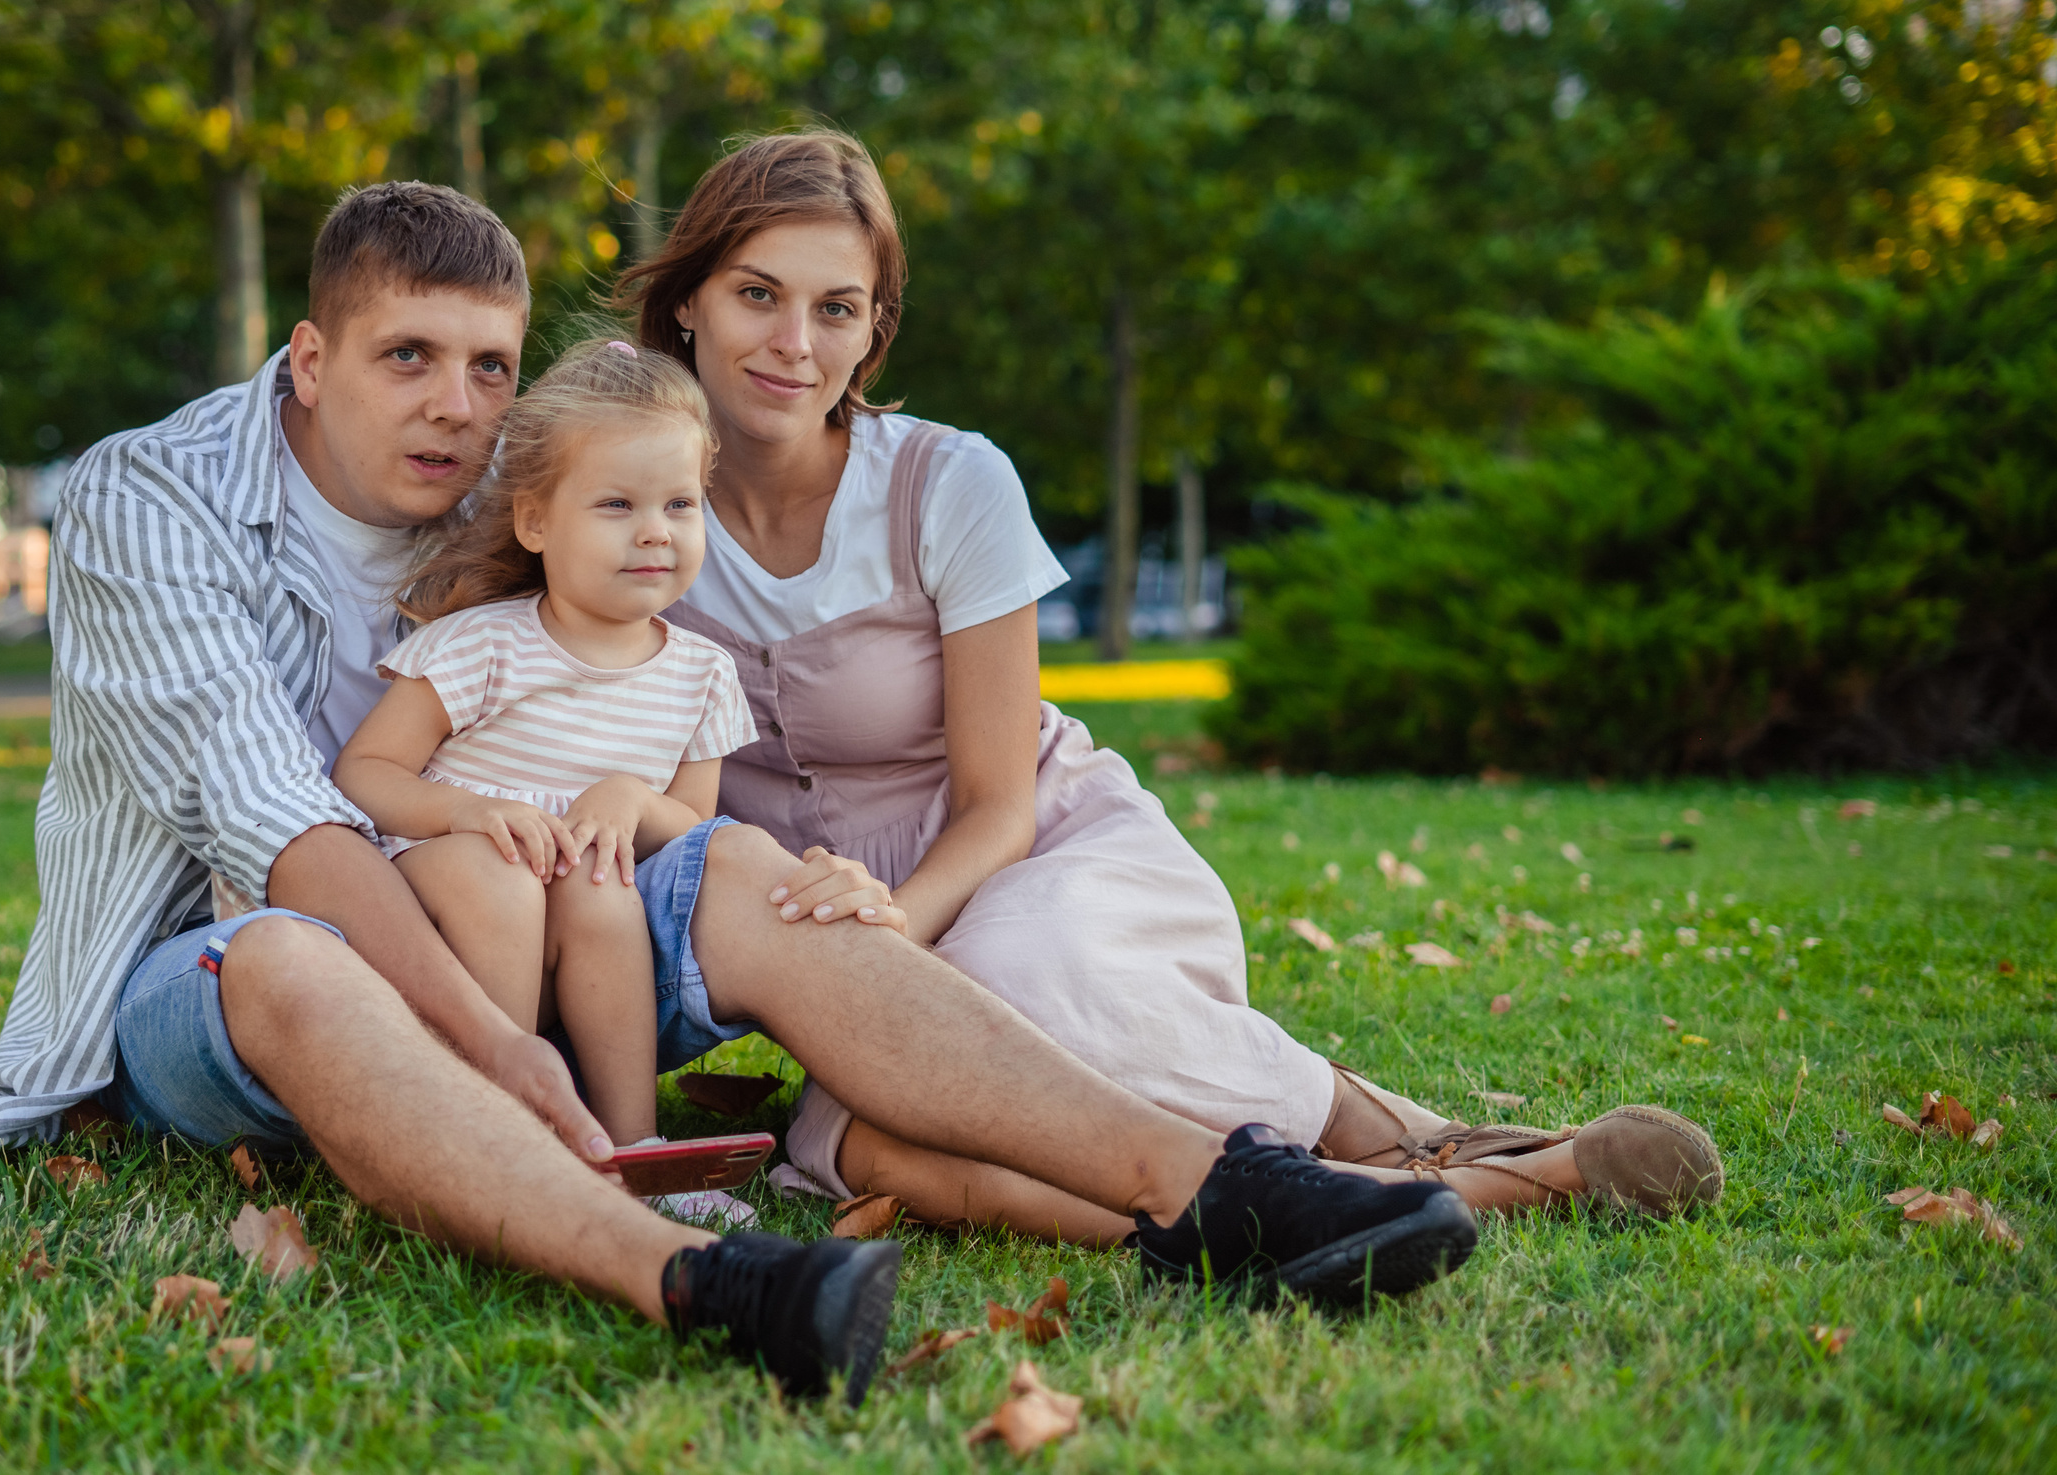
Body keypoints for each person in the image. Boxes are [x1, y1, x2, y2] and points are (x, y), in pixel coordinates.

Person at [0, 182, 1481, 1412]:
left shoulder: (518, 483)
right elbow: (288, 829)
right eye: (407, 357)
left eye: (489, 366)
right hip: (215, 969)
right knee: (290, 948)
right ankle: (698, 1278)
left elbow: (673, 567)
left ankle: (1218, 1184)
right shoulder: (149, 494)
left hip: (538, 921)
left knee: (751, 866)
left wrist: (701, 821)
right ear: (311, 356)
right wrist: (495, 1055)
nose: (454, 405)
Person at [620, 129, 1726, 1241]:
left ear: (874, 330)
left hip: (1027, 858)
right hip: (821, 928)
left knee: (1011, 991)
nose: (793, 344)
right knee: (878, 1145)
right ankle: (1404, 1198)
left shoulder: (947, 483)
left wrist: (888, 937)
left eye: (836, 309)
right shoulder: (619, 503)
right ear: (688, 304)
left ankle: (1357, 1117)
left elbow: (999, 803)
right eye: (757, 294)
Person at [336, 338, 754, 1213]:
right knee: (508, 878)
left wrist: (632, 800)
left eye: (681, 503)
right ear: (535, 521)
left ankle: (630, 1145)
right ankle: (491, 1126)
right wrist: (471, 811)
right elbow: (365, 771)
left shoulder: (703, 674)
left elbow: (698, 837)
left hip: (578, 913)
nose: (655, 530)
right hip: (447, 881)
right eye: (616, 503)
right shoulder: (483, 642)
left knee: (604, 890)